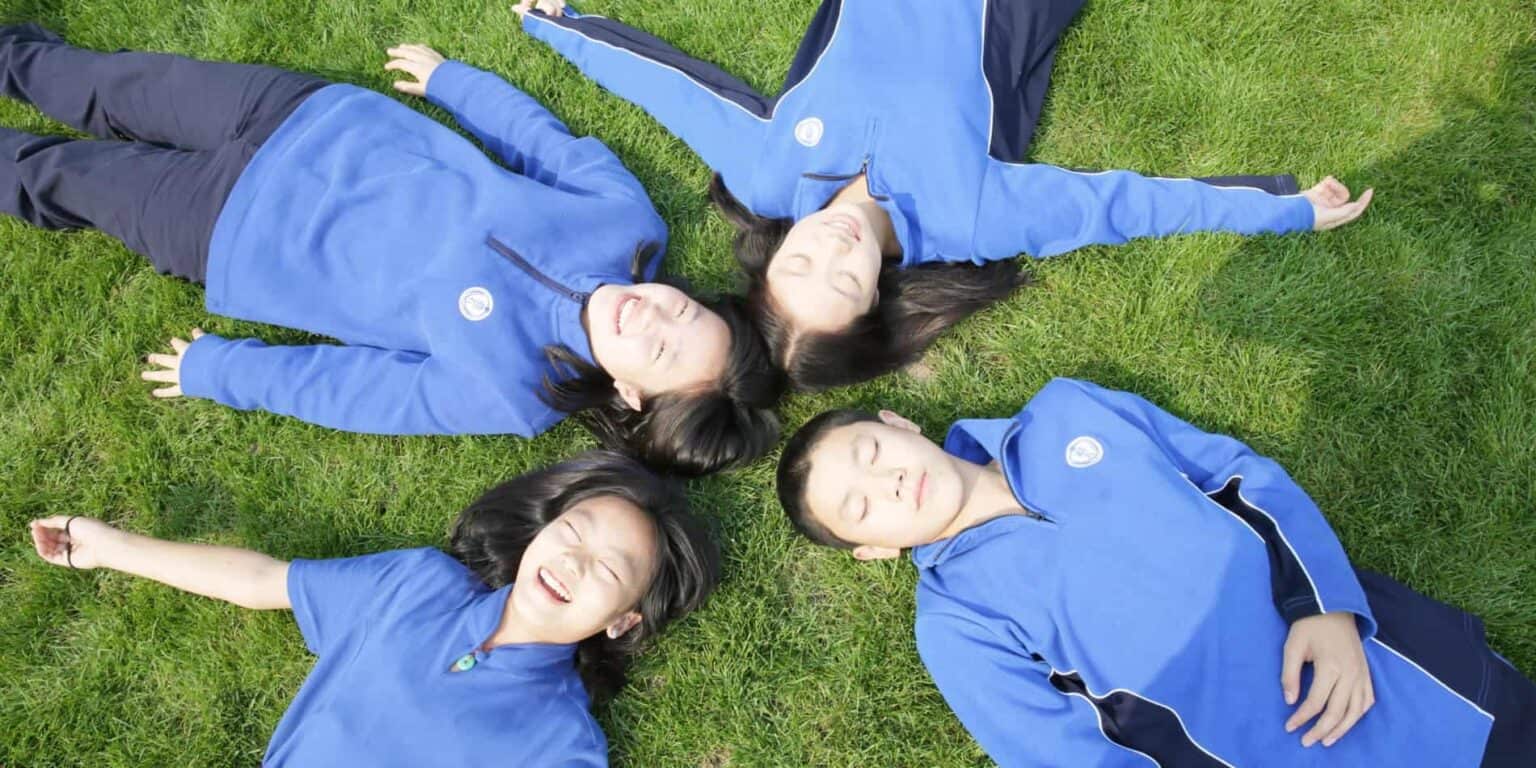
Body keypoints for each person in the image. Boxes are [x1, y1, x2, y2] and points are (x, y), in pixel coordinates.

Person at [0, 24, 784, 475]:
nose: (654, 314)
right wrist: (458, 85)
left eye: (660, 348)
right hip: (304, 118)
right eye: (682, 310)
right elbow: (542, 142)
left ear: (635, 395)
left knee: (60, 175)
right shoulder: (626, 223)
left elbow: (359, 391)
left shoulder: (514, 392)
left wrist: (225, 372)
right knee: (101, 83)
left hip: (227, 230)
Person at [512, 0, 1374, 391]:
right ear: (877, 298)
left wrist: (559, 26)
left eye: (803, 258)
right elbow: (1124, 206)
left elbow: (675, 91)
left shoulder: (770, 176)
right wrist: (1282, 206)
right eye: (846, 279)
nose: (837, 247)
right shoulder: (969, 217)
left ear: (777, 250)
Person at [775, 378, 1533, 766]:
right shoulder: (956, 628)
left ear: (898, 424)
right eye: (861, 508)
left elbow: (1240, 478)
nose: (888, 485)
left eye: (870, 455)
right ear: (874, 552)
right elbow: (1072, 761)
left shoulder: (1067, 412)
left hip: (1407, 668)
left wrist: (1325, 610)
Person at [27, 451, 719, 766]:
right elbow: (263, 580)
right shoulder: (418, 585)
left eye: (609, 569)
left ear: (622, 619)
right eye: (572, 533)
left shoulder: (561, 748)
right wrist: (107, 547)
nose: (573, 562)